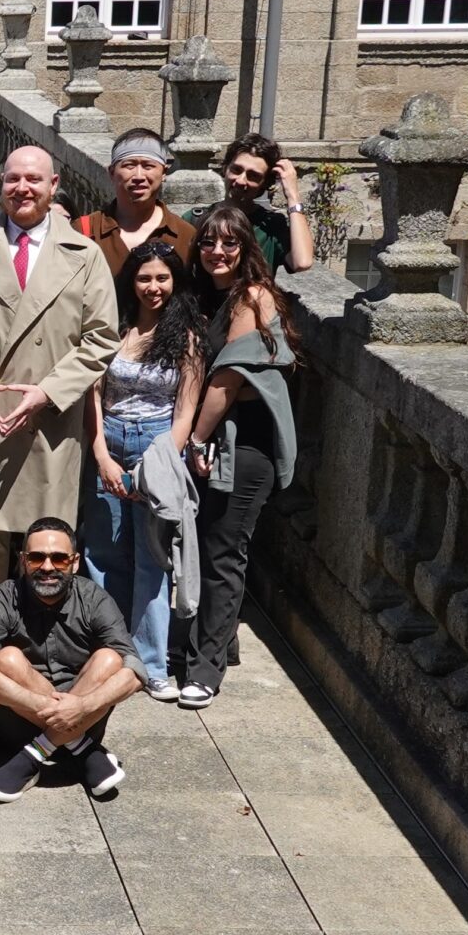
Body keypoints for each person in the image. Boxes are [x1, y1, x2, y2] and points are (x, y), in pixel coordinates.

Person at [0, 145, 120, 606]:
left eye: (34, 179)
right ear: (0, 185)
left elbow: (101, 338)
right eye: (13, 178)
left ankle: (45, 643)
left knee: (49, 546)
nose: (22, 188)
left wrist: (47, 393)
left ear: (53, 186)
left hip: (50, 424)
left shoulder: (84, 255)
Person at [174, 202, 299, 709]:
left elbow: (227, 382)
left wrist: (193, 441)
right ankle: (221, 642)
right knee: (206, 545)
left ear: (248, 248)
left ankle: (205, 669)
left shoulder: (251, 296)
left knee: (224, 551)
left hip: (244, 445)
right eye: (208, 242)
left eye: (230, 243)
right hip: (218, 439)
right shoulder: (209, 296)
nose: (217, 252)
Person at [84, 238, 199, 704]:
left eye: (162, 278)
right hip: (109, 437)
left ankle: (151, 664)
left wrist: (148, 467)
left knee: (152, 558)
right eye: (145, 277)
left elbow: (185, 412)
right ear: (131, 281)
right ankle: (108, 651)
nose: (154, 287)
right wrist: (101, 457)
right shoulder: (113, 330)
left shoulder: (187, 337)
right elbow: (92, 395)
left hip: (157, 446)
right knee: (104, 552)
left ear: (175, 282)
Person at [0, 517, 141, 802]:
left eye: (58, 559)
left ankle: (34, 755)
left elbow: (135, 671)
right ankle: (82, 748)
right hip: (17, 723)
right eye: (37, 557)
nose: (47, 567)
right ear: (23, 560)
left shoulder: (94, 599)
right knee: (7, 658)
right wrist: (44, 706)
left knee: (111, 659)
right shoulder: (2, 598)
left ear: (74, 562)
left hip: (85, 713)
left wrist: (83, 705)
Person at [78, 130, 198, 283]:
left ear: (164, 173)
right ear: (112, 172)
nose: (139, 176)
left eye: (148, 166)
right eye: (129, 165)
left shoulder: (184, 235)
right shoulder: (85, 231)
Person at [186, 133, 316, 274]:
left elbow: (302, 262)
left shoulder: (271, 227)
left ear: (264, 183)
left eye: (253, 176)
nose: (241, 181)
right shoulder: (195, 220)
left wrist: (293, 196)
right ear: (225, 168)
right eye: (236, 170)